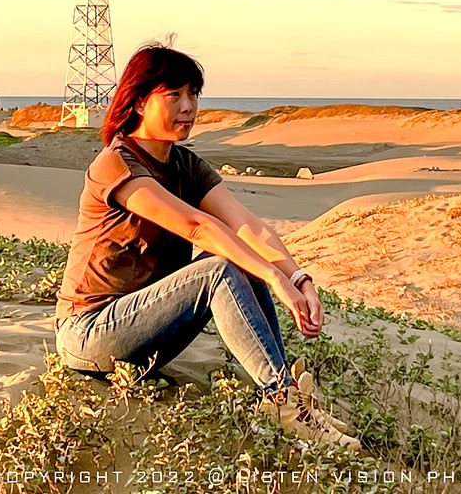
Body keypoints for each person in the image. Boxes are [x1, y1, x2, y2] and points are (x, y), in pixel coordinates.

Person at [55, 42, 360, 449]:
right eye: (175, 95)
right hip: (89, 333)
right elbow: (198, 226)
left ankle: (290, 398)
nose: (189, 106)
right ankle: (282, 400)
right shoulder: (117, 163)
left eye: (193, 94)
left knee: (239, 257)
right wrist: (272, 278)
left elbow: (248, 226)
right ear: (141, 101)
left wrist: (298, 277)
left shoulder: (187, 166)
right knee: (221, 266)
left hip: (141, 336)